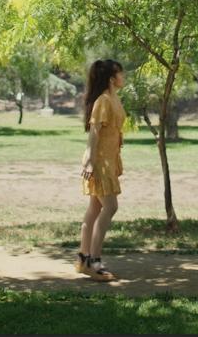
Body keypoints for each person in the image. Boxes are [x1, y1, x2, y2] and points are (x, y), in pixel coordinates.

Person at [76, 59, 126, 282]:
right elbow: (94, 133)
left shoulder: (113, 98)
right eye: (120, 74)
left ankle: (83, 258)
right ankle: (94, 261)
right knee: (110, 207)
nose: (123, 77)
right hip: (100, 162)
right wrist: (89, 162)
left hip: (109, 160)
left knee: (95, 209)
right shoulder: (103, 101)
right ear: (111, 78)